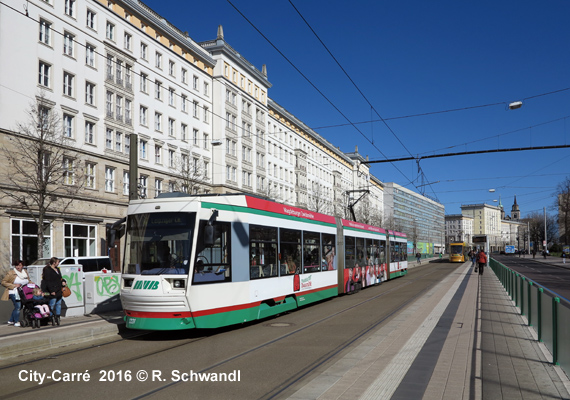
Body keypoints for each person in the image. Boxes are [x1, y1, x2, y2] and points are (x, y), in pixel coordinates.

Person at [1, 260, 30, 327]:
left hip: (23, 292)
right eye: (16, 265)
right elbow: (3, 282)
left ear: (22, 266)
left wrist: (32, 284)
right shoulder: (11, 273)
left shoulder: (25, 272)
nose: (18, 267)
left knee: (20, 306)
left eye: (19, 265)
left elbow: (28, 280)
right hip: (14, 292)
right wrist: (14, 285)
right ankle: (16, 322)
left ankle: (11, 320)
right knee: (18, 306)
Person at [41, 257, 67, 325]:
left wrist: (63, 281)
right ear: (54, 263)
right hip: (52, 289)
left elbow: (60, 278)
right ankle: (51, 316)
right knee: (52, 304)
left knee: (58, 303)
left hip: (58, 289)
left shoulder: (57, 269)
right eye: (58, 262)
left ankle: (57, 316)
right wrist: (51, 290)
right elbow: (48, 281)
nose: (58, 263)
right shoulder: (48, 270)